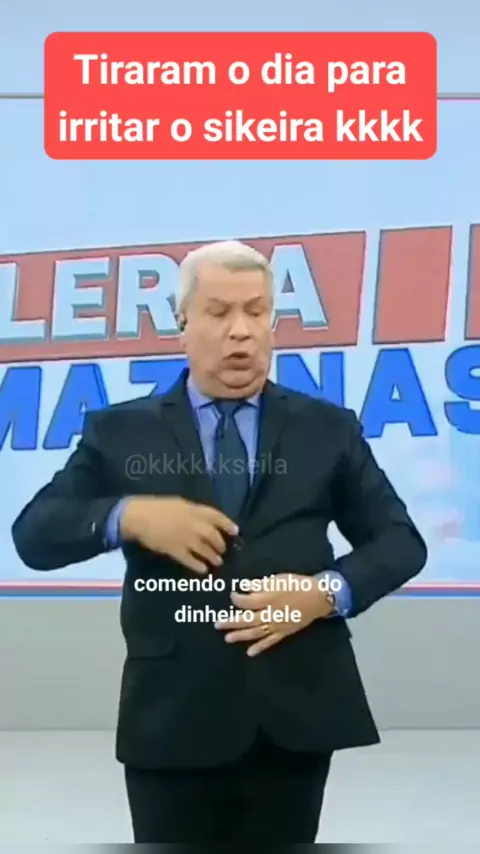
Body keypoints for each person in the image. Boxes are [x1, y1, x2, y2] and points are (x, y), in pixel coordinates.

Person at [11, 240, 427, 843]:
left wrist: (324, 593)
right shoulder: (120, 431)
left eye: (257, 312)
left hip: (296, 713)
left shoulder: (327, 429)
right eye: (219, 312)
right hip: (171, 716)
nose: (241, 331)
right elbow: (35, 535)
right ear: (182, 324)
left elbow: (399, 542)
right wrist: (128, 515)